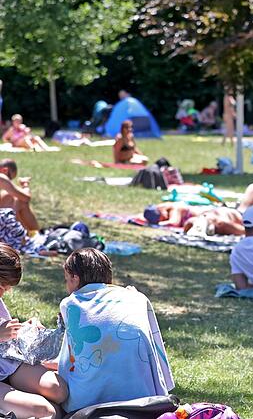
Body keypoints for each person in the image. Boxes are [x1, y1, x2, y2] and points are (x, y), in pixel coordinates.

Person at [58, 248, 174, 413]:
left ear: (75, 278)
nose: (67, 286)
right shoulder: (137, 298)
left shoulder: (71, 303)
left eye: (67, 280)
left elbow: (68, 360)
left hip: (87, 402)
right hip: (144, 397)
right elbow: (155, 348)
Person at [0, 243, 68, 419]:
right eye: (2, 286)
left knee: (59, 391)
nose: (3, 293)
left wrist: (23, 327)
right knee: (47, 411)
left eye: (6, 288)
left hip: (8, 363)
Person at [0, 159, 39, 231]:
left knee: (15, 201)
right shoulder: (1, 177)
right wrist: (25, 184)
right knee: (18, 200)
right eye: (9, 178)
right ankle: (34, 233)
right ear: (5, 170)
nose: (9, 181)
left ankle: (29, 233)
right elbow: (26, 197)